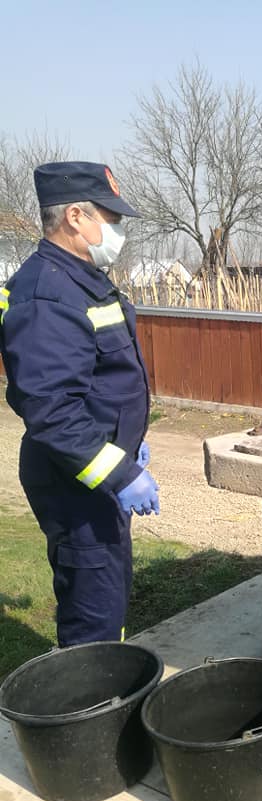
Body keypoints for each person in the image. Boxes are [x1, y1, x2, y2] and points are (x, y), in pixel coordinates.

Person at [0, 161, 160, 647]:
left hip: (95, 474)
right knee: (94, 612)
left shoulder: (80, 280)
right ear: (75, 216)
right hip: (74, 483)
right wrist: (121, 473)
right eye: (111, 218)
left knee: (109, 593)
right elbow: (52, 412)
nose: (117, 230)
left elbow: (99, 382)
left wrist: (129, 442)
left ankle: (108, 673)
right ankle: (89, 688)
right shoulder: (47, 296)